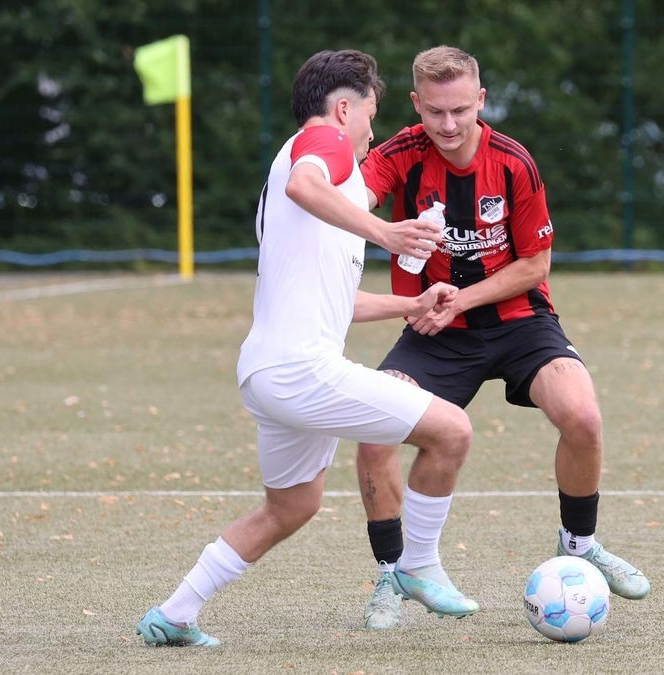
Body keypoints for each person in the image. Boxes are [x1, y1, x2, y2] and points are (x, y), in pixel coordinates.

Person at [136, 49, 480, 648]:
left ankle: (174, 613)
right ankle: (417, 565)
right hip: (300, 372)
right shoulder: (324, 146)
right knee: (451, 431)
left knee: (290, 508)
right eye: (370, 115)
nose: (373, 132)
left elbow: (336, 302)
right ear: (343, 108)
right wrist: (386, 231)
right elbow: (304, 184)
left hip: (270, 372)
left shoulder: (327, 183)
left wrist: (411, 304)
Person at [355, 46, 650, 630]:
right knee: (373, 434)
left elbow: (535, 265)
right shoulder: (399, 155)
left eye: (460, 110)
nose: (447, 124)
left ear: (481, 100)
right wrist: (383, 230)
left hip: (520, 322)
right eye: (435, 112)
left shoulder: (513, 163)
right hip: (432, 331)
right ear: (416, 104)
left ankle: (579, 544)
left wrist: (459, 298)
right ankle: (394, 572)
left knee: (583, 418)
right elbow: (349, 203)